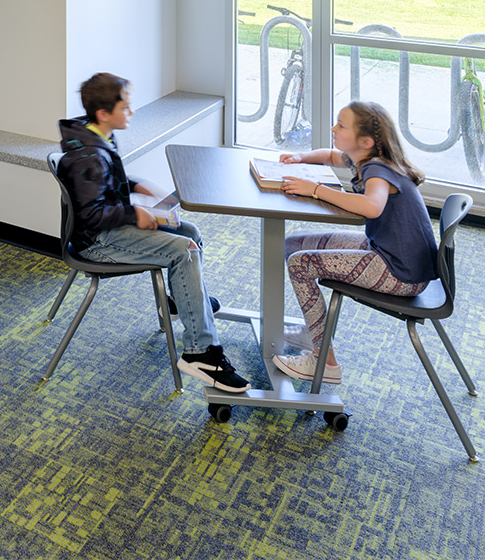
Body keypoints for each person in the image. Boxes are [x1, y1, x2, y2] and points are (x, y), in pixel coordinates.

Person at [58, 73, 250, 394]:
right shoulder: (87, 156)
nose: (131, 112)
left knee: (188, 230)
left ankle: (177, 302)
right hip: (98, 242)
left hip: (110, 228)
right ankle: (200, 352)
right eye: (126, 108)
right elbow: (91, 213)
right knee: (183, 249)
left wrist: (135, 186)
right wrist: (136, 213)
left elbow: (104, 185)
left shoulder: (97, 136)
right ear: (105, 114)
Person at [274, 100, 439, 384]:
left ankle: (325, 362)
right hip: (387, 252)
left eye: (341, 125)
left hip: (400, 273)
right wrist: (300, 157)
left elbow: (371, 207)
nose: (333, 128)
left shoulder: (378, 171)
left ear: (366, 141)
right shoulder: (364, 157)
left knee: (300, 264)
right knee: (291, 245)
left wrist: (316, 190)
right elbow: (329, 155)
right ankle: (314, 334)